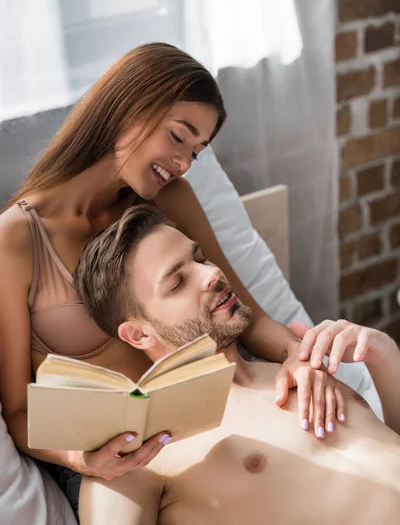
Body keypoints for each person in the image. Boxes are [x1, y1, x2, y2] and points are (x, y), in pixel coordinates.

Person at [0, 43, 338, 521]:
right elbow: (16, 411)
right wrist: (80, 459)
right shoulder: (15, 239)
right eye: (178, 138)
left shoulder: (168, 199)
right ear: (128, 107)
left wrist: (297, 359)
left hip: (212, 417)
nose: (183, 163)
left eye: (196, 152)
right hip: (111, 461)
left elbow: (249, 313)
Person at [74, 205, 400, 525]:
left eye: (200, 259)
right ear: (138, 334)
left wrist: (385, 356)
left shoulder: (300, 370)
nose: (211, 273)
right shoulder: (134, 454)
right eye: (177, 282)